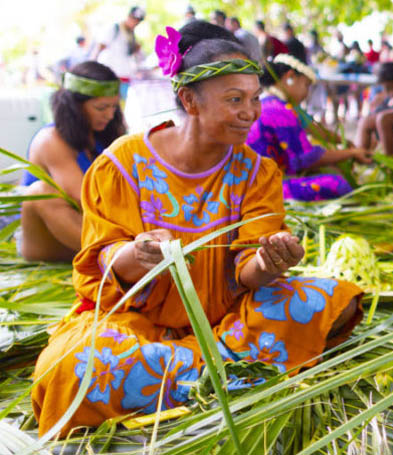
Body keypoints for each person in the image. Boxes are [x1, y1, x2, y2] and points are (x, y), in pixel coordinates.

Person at [31, 21, 363, 438]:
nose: (250, 113)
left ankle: (177, 378)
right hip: (138, 323)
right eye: (234, 99)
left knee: (333, 300)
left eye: (255, 99)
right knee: (69, 366)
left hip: (228, 320)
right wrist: (139, 254)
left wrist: (267, 260)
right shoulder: (122, 164)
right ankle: (225, 374)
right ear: (189, 99)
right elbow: (104, 261)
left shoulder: (257, 172)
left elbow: (247, 271)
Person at [19, 62, 125, 262]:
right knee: (39, 192)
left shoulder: (102, 136)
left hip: (93, 233)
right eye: (101, 107)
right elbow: (85, 200)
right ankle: (116, 258)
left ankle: (118, 253)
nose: (110, 115)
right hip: (45, 239)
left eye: (114, 106)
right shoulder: (50, 140)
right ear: (75, 107)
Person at [247, 54, 371, 201]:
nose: (306, 94)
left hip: (252, 183)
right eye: (306, 85)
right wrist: (352, 153)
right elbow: (306, 159)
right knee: (337, 183)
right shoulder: (280, 110)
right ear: (290, 77)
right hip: (263, 190)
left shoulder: (266, 102)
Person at [93, 6, 145, 95]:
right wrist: (93, 66)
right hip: (110, 77)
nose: (135, 22)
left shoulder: (131, 36)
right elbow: (100, 46)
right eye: (134, 19)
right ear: (129, 16)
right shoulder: (114, 28)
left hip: (125, 78)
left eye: (138, 21)